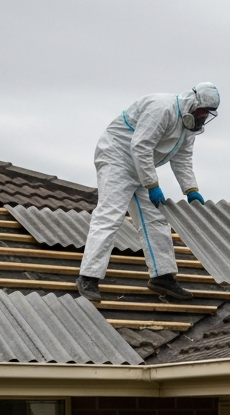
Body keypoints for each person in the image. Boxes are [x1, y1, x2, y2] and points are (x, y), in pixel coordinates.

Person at [76, 83, 221, 303]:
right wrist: (152, 184)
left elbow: (182, 159)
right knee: (110, 215)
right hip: (118, 159)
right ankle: (88, 277)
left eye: (207, 114)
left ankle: (162, 276)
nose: (203, 116)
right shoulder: (162, 108)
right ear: (193, 103)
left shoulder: (188, 126)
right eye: (202, 111)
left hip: (142, 167)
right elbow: (140, 146)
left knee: (156, 220)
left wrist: (191, 190)